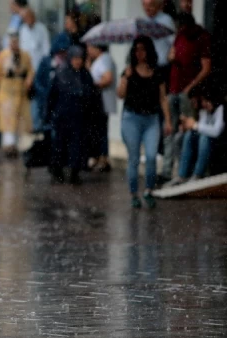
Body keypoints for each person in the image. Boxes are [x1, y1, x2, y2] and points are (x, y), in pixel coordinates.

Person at [117, 36, 173, 209]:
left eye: (143, 49)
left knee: (151, 156)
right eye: (137, 49)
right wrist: (126, 78)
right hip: (131, 118)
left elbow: (163, 98)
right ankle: (134, 193)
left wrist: (168, 121)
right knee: (133, 158)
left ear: (149, 51)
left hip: (151, 119)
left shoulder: (157, 73)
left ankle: (148, 190)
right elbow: (120, 95)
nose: (140, 53)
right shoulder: (129, 71)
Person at [160, 12, 211, 183]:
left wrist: (191, 87)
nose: (179, 30)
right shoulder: (179, 36)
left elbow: (206, 67)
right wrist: (171, 57)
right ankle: (169, 170)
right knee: (170, 131)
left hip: (187, 92)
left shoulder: (201, 37)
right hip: (173, 88)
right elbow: (171, 56)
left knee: (186, 132)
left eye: (180, 27)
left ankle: (185, 171)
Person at [46, 46, 100, 185]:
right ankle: (58, 171)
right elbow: (52, 96)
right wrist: (49, 115)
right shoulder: (61, 74)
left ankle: (75, 172)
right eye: (75, 58)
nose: (77, 61)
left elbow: (91, 95)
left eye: (80, 59)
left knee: (77, 146)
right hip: (63, 116)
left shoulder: (85, 75)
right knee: (60, 145)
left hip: (80, 117)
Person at [0, 32, 34, 158]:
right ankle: (9, 146)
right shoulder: (3, 56)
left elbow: (30, 72)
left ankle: (20, 147)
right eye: (12, 41)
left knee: (21, 121)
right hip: (6, 93)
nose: (14, 44)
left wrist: (29, 81)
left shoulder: (25, 56)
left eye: (16, 42)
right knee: (7, 121)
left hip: (21, 93)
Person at [165, 88, 224, 186]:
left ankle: (197, 174)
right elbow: (199, 127)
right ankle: (182, 175)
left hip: (216, 142)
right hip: (203, 141)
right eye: (203, 101)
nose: (205, 104)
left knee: (204, 137)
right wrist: (188, 125)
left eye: (207, 101)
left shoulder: (220, 109)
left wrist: (195, 125)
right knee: (188, 135)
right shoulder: (203, 111)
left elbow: (216, 131)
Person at [19, 9, 50, 133]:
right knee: (28, 97)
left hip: (39, 70)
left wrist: (40, 69)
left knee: (38, 97)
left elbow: (45, 50)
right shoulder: (23, 30)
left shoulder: (41, 29)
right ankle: (30, 125)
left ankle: (38, 125)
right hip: (26, 70)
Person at [87, 44, 116, 172]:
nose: (88, 50)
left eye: (90, 47)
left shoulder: (105, 59)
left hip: (102, 102)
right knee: (97, 130)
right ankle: (99, 157)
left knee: (101, 130)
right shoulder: (98, 61)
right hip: (97, 103)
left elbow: (107, 78)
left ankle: (103, 159)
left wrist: (92, 84)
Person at [34, 32, 71, 132]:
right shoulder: (46, 62)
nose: (62, 53)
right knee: (47, 127)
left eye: (64, 50)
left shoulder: (68, 64)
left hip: (61, 103)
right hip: (47, 101)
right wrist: (44, 94)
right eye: (61, 50)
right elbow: (38, 81)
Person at [143, 0, 175, 68]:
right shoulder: (144, 21)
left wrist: (170, 56)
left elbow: (174, 42)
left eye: (150, 5)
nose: (147, 8)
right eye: (144, 5)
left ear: (157, 5)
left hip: (162, 65)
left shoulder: (166, 20)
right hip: (148, 66)